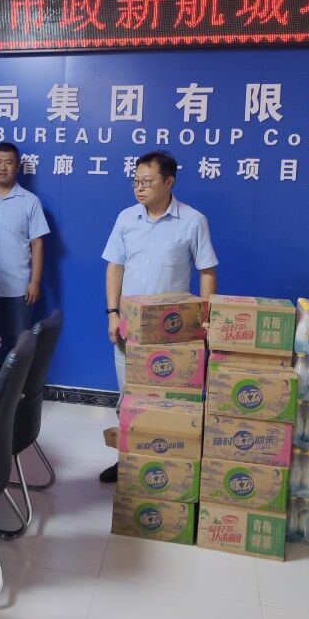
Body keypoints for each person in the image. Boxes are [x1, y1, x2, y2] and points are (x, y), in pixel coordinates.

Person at [98, 150, 218, 483]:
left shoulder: (193, 221)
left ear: (169, 181)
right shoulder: (126, 219)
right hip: (129, 327)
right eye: (135, 181)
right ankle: (128, 461)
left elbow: (207, 271)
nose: (139, 187)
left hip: (172, 331)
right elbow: (114, 267)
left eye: (147, 181)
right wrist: (112, 313)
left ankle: (168, 466)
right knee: (128, 399)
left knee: (167, 401)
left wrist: (204, 318)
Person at [0, 142, 50, 391]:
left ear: (17, 167)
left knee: (21, 342)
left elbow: (37, 244)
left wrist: (35, 281)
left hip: (19, 287)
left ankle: (20, 392)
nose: (3, 167)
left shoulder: (30, 202)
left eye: (9, 162)